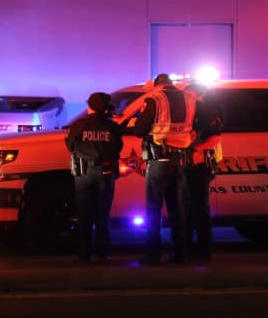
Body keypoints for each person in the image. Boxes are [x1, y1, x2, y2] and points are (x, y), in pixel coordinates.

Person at [127, 73, 196, 264]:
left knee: (153, 209)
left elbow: (140, 129)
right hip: (179, 159)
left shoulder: (155, 98)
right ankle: (180, 254)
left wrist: (137, 125)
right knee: (177, 208)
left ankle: (153, 254)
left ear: (157, 85)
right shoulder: (188, 98)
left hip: (159, 160)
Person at [65, 92, 124, 263]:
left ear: (89, 106)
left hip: (83, 173)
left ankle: (84, 254)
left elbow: (70, 146)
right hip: (105, 173)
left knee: (84, 215)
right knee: (103, 215)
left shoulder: (79, 125)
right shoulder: (112, 127)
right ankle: (103, 253)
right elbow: (117, 148)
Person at [183, 82, 223, 262]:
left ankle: (203, 249)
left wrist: (195, 149)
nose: (185, 96)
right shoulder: (186, 110)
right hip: (184, 165)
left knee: (199, 208)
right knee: (185, 208)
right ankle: (186, 246)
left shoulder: (207, 110)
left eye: (188, 93)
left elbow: (215, 138)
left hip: (199, 166)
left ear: (196, 94)